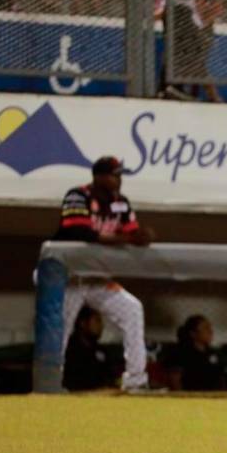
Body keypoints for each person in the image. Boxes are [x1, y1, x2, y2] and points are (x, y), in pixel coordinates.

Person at [54, 156, 155, 392]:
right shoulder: (78, 195)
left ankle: (136, 380)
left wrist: (142, 235)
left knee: (132, 309)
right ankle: (51, 382)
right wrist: (127, 238)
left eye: (120, 175)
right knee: (60, 329)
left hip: (97, 279)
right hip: (68, 276)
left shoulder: (121, 202)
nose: (118, 180)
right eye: (114, 175)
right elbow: (79, 232)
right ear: (98, 177)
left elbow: (131, 232)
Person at [156, 0, 223, 103]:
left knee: (181, 55)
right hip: (181, 16)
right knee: (191, 58)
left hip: (180, 16)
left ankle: (168, 88)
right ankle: (211, 96)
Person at [63, 306, 117, 391]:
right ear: (83, 323)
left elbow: (110, 377)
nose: (101, 326)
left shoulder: (101, 351)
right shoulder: (70, 350)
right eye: (97, 321)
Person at [164, 315, 225, 391]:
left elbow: (221, 379)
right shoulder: (180, 353)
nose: (210, 331)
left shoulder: (213, 353)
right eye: (206, 328)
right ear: (193, 333)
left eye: (210, 327)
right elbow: (174, 381)